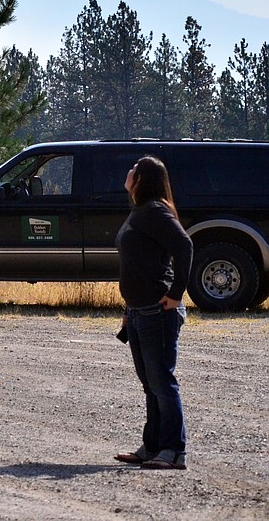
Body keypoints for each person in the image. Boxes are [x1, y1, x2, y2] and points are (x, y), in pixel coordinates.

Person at [113, 155, 193, 470]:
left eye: (133, 168)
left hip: (157, 312)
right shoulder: (140, 212)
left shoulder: (156, 210)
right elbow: (138, 265)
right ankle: (153, 446)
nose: (128, 171)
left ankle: (174, 451)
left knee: (162, 381)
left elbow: (184, 246)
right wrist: (127, 309)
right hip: (138, 311)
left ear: (143, 178)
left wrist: (176, 294)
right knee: (150, 383)